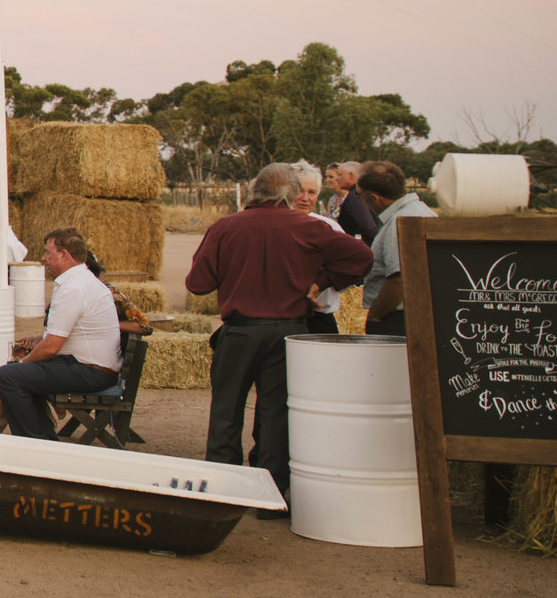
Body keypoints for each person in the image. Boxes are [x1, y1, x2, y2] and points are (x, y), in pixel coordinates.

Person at [186, 162, 374, 507]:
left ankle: (222, 490)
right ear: (289, 193)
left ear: (254, 189)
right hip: (289, 331)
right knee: (275, 412)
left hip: (241, 331)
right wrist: (323, 281)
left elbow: (198, 284)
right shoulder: (311, 228)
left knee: (227, 408)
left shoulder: (225, 227)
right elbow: (362, 256)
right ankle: (269, 494)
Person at [0, 229, 125, 440]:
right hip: (93, 368)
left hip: (91, 373)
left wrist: (24, 363)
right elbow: (66, 335)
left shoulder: (74, 288)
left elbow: (52, 347)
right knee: (17, 373)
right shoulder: (82, 281)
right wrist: (37, 341)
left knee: (9, 376)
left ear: (64, 254)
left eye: (47, 252)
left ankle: (38, 443)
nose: (43, 258)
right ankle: (42, 437)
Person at [357, 161, 435, 337]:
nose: (360, 199)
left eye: (359, 194)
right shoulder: (423, 211)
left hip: (396, 318)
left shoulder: (400, 221)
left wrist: (375, 315)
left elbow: (399, 279)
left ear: (374, 198)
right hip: (418, 313)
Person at [291, 165, 348, 334]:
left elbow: (349, 270)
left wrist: (322, 283)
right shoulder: (271, 226)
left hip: (319, 319)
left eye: (311, 192)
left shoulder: (330, 227)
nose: (305, 198)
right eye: (299, 191)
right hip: (280, 319)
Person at [330, 161, 382, 245]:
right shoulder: (360, 193)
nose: (336, 178)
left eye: (340, 175)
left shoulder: (355, 196)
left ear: (351, 175)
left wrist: (379, 245)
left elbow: (368, 227)